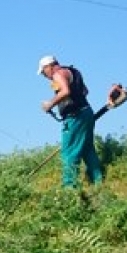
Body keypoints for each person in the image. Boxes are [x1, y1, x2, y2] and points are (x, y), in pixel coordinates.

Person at [38, 55, 104, 188]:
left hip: (75, 117)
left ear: (49, 67)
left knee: (69, 152)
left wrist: (50, 104)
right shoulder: (71, 71)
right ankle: (98, 182)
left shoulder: (57, 74)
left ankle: (70, 188)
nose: (45, 76)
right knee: (87, 149)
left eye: (44, 72)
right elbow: (85, 91)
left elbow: (65, 91)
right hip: (86, 112)